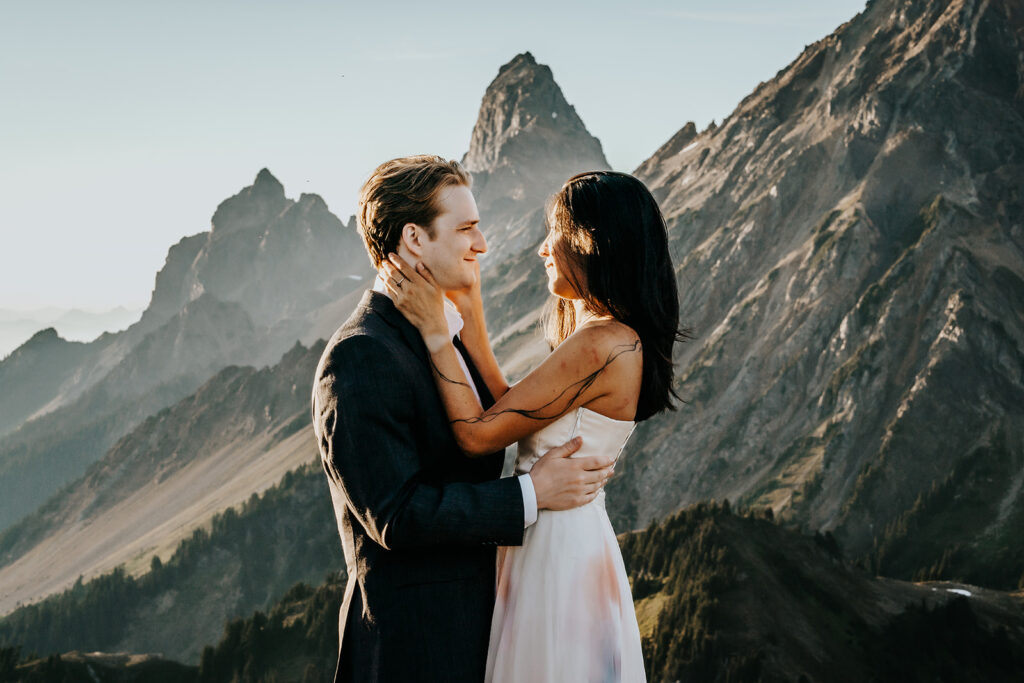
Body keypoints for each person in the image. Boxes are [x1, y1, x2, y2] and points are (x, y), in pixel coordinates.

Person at [310, 155, 618, 683]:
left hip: (476, 636)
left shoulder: (440, 335)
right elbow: (395, 516)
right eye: (467, 228)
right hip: (414, 652)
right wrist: (532, 494)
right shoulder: (361, 355)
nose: (481, 243)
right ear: (413, 239)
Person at [382, 170, 686, 682]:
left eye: (556, 233)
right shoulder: (613, 336)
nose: (544, 248)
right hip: (566, 534)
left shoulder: (601, 343)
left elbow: (478, 432)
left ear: (591, 242)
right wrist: (471, 311)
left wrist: (437, 334)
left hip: (556, 546)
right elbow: (513, 409)